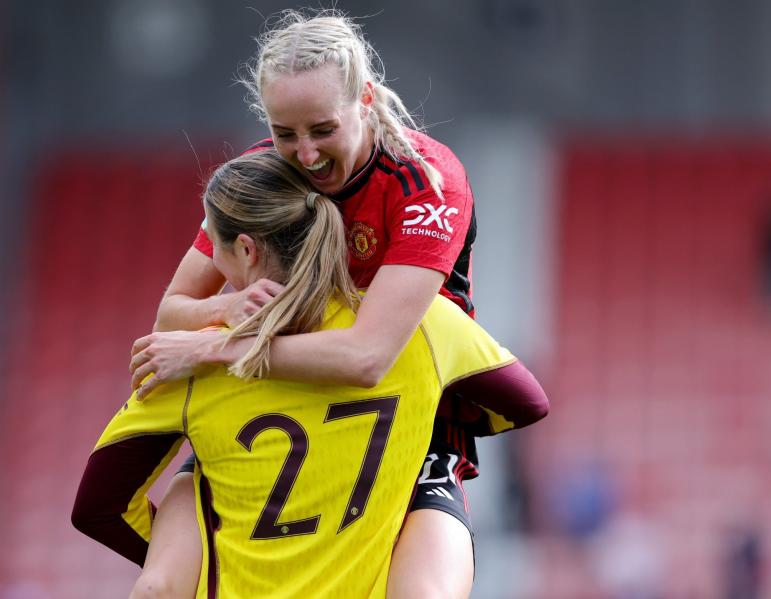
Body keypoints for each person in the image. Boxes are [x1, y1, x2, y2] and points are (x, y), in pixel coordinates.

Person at [126, 9, 549, 597]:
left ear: (366, 100)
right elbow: (171, 312)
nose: (303, 155)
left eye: (323, 129)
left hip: (396, 430)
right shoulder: (257, 176)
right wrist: (230, 305)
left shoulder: (425, 183)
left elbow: (367, 357)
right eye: (284, 133)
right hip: (274, 419)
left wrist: (217, 347)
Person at [72, 150, 548, 598]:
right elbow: (526, 403)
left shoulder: (189, 360)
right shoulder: (422, 326)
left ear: (246, 250)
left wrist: (192, 546)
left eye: (210, 247)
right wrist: (420, 434)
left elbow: (99, 508)